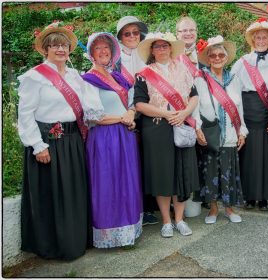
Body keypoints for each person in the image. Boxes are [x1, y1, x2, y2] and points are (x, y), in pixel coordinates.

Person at [18, 21, 90, 260]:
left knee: (73, 194)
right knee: (54, 196)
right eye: (55, 45)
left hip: (72, 141)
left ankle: (76, 241)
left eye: (64, 45)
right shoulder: (34, 77)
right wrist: (37, 146)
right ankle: (55, 247)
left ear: (70, 49)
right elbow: (25, 114)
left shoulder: (74, 75)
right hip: (49, 144)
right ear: (45, 49)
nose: (60, 49)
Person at [134, 32, 199, 238]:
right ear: (152, 51)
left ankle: (179, 220)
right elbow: (140, 104)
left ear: (171, 48)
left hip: (181, 125)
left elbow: (194, 96)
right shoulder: (144, 74)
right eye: (157, 47)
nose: (161, 49)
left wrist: (184, 113)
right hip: (156, 128)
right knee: (163, 176)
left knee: (181, 173)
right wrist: (167, 113)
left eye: (165, 46)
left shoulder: (183, 69)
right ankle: (166, 221)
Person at [81, 32, 143, 248]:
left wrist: (131, 117)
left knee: (126, 182)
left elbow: (130, 104)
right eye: (98, 48)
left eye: (106, 47)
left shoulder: (117, 77)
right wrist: (124, 118)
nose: (103, 51)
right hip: (105, 139)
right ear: (91, 54)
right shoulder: (88, 80)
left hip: (124, 136)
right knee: (108, 183)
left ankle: (127, 231)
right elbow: (93, 116)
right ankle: (109, 235)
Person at [195, 35, 249, 224]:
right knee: (210, 171)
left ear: (226, 58)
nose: (217, 58)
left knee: (228, 170)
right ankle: (213, 209)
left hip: (231, 133)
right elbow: (195, 106)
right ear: (208, 58)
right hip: (210, 132)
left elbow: (240, 106)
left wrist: (242, 130)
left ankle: (228, 208)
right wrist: (197, 128)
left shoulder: (234, 79)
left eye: (221, 55)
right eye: (213, 56)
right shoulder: (200, 79)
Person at [231, 17, 268, 211]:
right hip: (247, 111)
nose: (260, 41)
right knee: (248, 156)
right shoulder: (242, 62)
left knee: (267, 156)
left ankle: (264, 197)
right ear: (252, 40)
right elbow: (233, 89)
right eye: (257, 38)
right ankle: (249, 196)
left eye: (264, 38)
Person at [116, 15, 159, 226]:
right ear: (120, 37)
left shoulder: (147, 56)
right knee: (130, 162)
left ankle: (150, 206)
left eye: (135, 32)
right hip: (123, 115)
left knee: (148, 159)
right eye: (127, 33)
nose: (132, 36)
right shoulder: (114, 62)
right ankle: (134, 206)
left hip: (148, 113)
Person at [176, 16, 208, 212]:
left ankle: (204, 195)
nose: (188, 33)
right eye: (183, 31)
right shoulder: (172, 56)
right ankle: (183, 197)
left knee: (204, 154)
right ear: (177, 34)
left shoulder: (206, 55)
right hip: (184, 112)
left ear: (196, 32)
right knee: (186, 157)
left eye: (191, 30)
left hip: (205, 110)